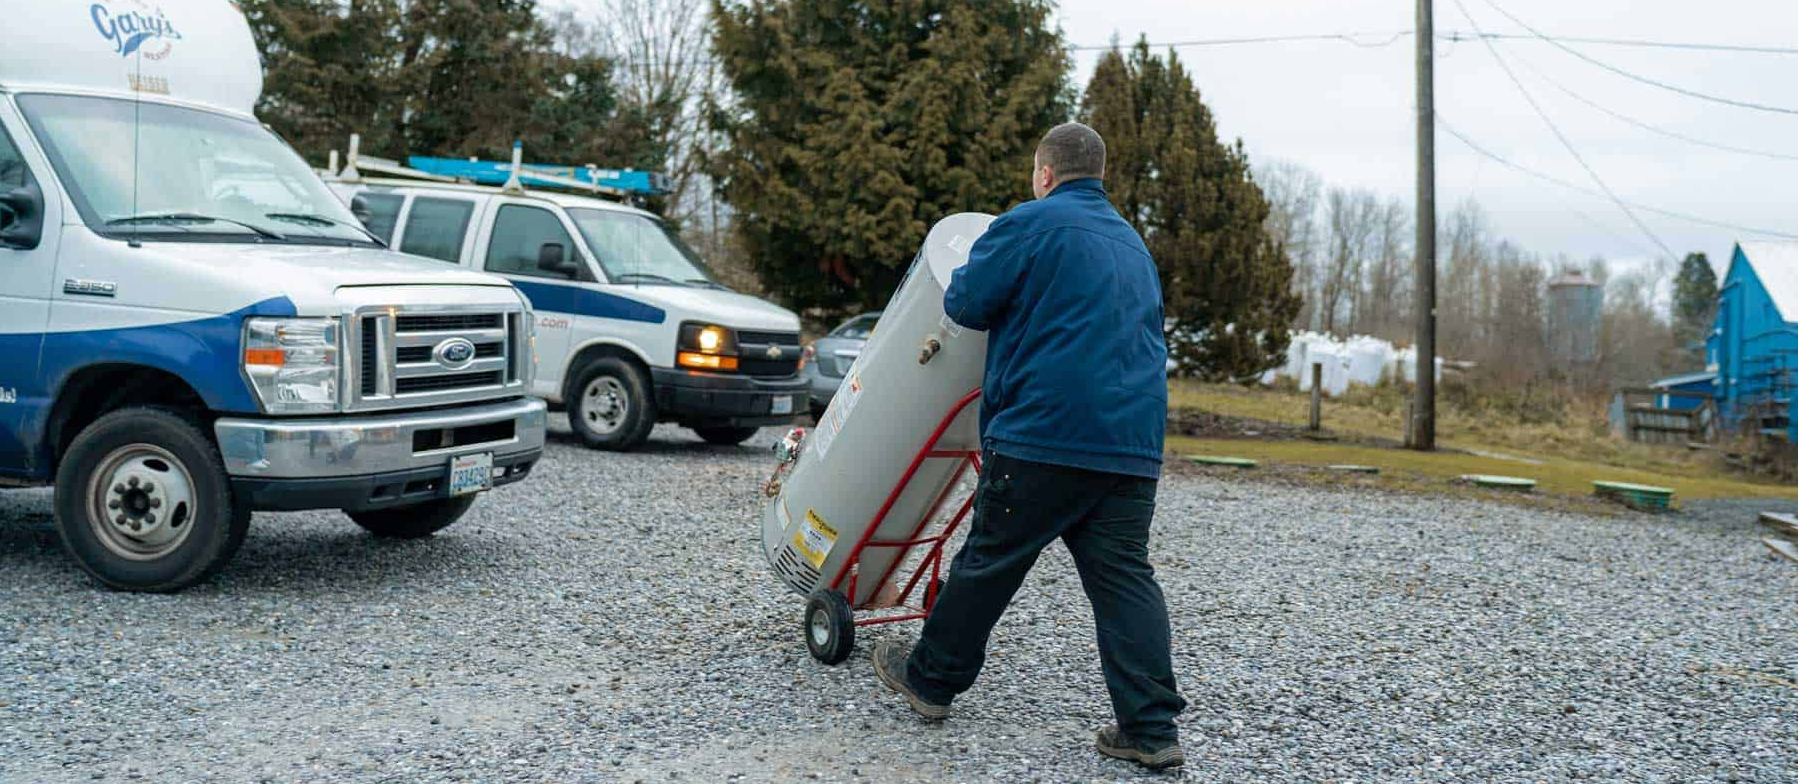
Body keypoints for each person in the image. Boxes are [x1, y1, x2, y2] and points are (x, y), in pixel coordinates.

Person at [872, 122, 1186, 771]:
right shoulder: (1133, 246)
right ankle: (1151, 731)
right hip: (1131, 444)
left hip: (1046, 433)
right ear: (1098, 175)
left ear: (1045, 173)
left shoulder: (1027, 224)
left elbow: (965, 302)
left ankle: (930, 681)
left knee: (989, 560)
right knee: (1125, 579)